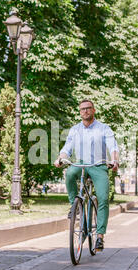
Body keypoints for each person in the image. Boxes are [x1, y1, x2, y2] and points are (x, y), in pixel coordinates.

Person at [54, 99, 119, 251]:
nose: (85, 111)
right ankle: (74, 206)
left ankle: (100, 236)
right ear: (80, 112)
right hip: (81, 164)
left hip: (98, 165)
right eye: (82, 109)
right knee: (69, 174)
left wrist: (114, 160)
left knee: (103, 198)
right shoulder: (75, 130)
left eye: (88, 108)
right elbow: (67, 148)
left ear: (93, 110)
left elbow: (112, 146)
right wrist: (60, 158)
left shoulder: (104, 128)